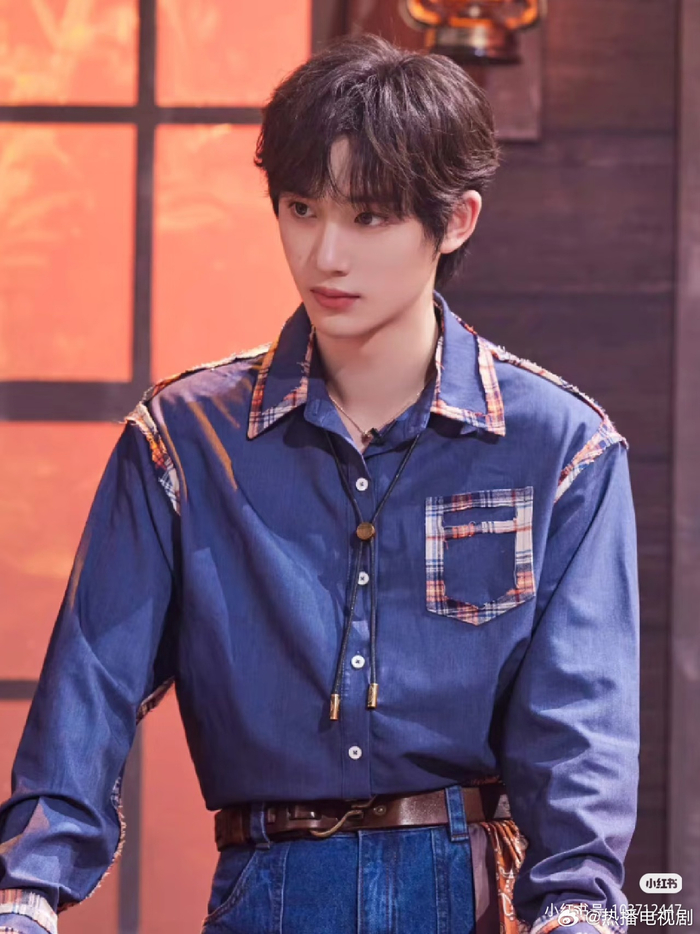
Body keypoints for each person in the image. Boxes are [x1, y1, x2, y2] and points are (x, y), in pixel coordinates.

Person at [0, 32, 639, 934]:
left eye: (368, 217)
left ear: (456, 221)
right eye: (302, 208)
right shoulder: (185, 437)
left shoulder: (560, 446)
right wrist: (27, 893)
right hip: (267, 883)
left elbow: (580, 716)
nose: (325, 254)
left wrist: (576, 906)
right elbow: (92, 679)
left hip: (463, 889)